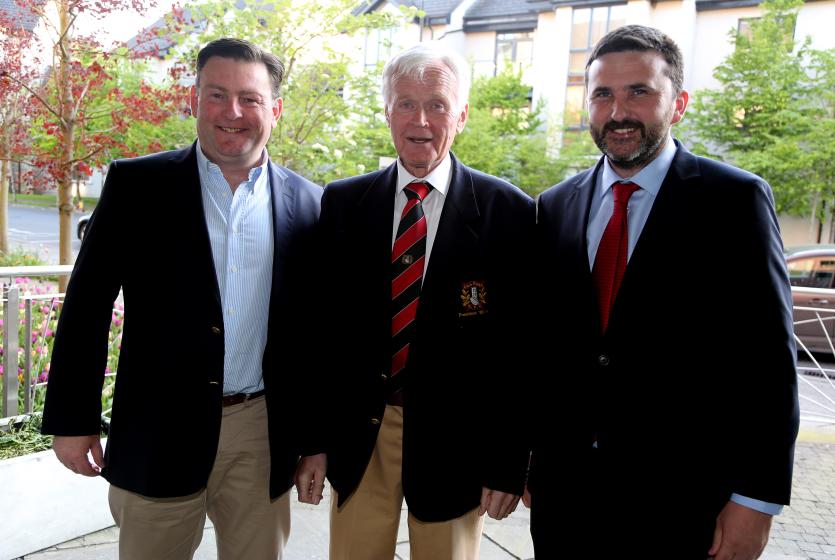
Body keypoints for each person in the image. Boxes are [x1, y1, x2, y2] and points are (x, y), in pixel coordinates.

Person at [41, 38, 322, 560]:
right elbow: (86, 308)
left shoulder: (309, 202)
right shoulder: (136, 186)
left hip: (261, 434)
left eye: (250, 98)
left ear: (275, 110)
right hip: (156, 428)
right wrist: (71, 420)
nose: (232, 112)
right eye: (216, 95)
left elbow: (316, 334)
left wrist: (316, 440)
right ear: (193, 100)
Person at [528, 25, 799, 559]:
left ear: (678, 104)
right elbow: (545, 350)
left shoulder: (735, 201)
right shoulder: (555, 206)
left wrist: (755, 501)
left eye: (639, 92)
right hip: (567, 501)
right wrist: (534, 461)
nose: (618, 111)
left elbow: (768, 362)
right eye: (603, 94)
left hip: (683, 505)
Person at [294, 43, 534, 560]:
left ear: (462, 116)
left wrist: (508, 464)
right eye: (405, 103)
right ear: (386, 113)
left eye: (438, 105)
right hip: (362, 435)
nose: (420, 120)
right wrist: (312, 441)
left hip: (458, 445)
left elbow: (520, 352)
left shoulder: (510, 213)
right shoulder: (343, 203)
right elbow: (319, 335)